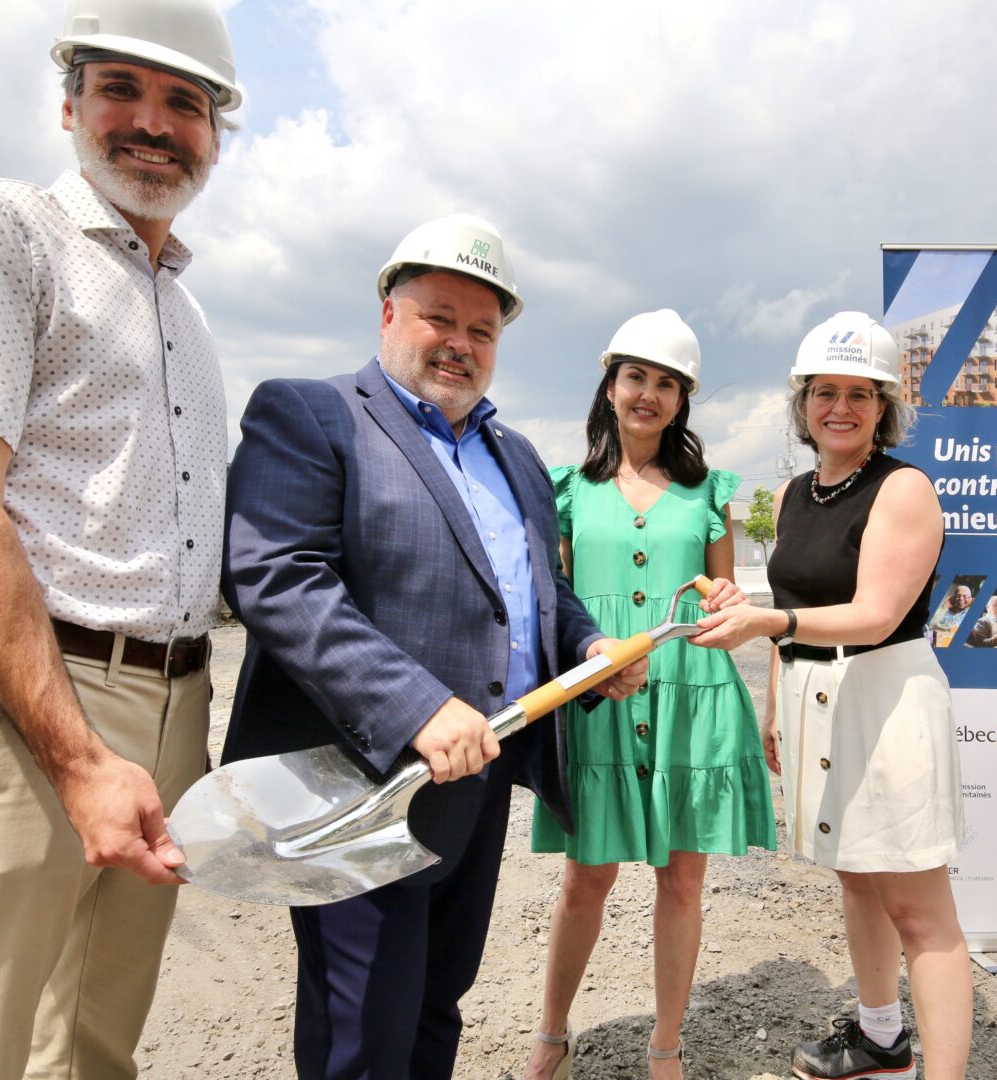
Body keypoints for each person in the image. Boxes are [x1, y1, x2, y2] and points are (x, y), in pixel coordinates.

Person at [0, 2, 242, 1077]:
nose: (154, 124)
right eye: (122, 89)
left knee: (91, 1049)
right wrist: (77, 758)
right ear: (68, 100)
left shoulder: (187, 319)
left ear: (219, 133)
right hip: (22, 704)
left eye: (186, 103)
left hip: (173, 704)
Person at [220, 214, 649, 1080]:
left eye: (481, 330)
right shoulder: (311, 414)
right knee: (364, 1031)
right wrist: (415, 706)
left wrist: (592, 645)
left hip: (476, 783)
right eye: (439, 317)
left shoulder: (519, 456)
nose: (460, 343)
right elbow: (277, 577)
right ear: (388, 313)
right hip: (359, 781)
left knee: (433, 1008)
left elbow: (537, 592)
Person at [691, 311, 971, 1080]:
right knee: (855, 875)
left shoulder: (903, 489)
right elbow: (794, 610)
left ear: (884, 407)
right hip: (817, 696)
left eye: (858, 393)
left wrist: (766, 621)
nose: (839, 407)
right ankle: (882, 1040)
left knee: (921, 912)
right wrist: (777, 704)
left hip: (887, 698)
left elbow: (877, 614)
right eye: (824, 392)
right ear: (802, 403)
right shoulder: (791, 496)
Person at [522, 312, 775, 1080]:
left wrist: (728, 597)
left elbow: (723, 601)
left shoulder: (708, 492)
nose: (649, 394)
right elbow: (557, 602)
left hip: (688, 695)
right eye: (637, 376)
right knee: (584, 877)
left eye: (667, 383)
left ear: (682, 400)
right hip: (600, 694)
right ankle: (551, 1035)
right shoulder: (568, 490)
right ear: (610, 385)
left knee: (682, 877)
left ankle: (666, 1045)